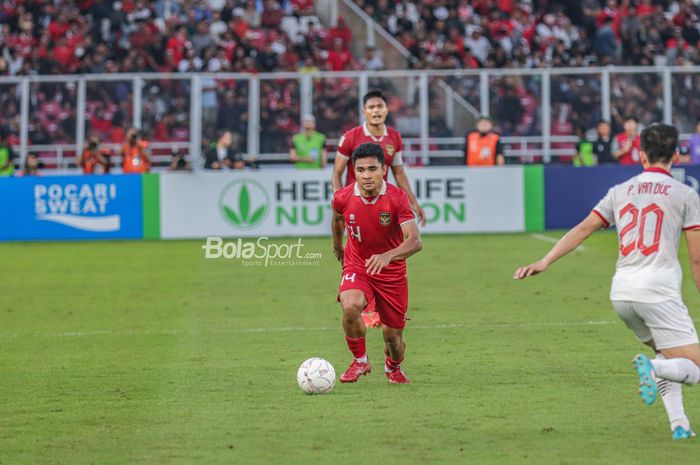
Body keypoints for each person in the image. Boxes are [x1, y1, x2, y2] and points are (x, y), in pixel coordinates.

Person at [514, 124, 700, 440]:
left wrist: (545, 260)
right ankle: (654, 371)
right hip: (658, 292)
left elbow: (584, 228)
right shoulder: (685, 194)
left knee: (666, 352)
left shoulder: (620, 190)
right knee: (693, 369)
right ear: (677, 155)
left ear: (641, 154)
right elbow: (696, 259)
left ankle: (679, 424)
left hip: (622, 293)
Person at [332, 89, 426, 328]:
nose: (375, 111)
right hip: (355, 203)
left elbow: (399, 173)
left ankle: (383, 308)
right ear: (364, 111)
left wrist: (413, 201)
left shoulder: (394, 137)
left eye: (379, 106)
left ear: (387, 109)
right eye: (371, 107)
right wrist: (339, 196)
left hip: (383, 203)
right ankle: (365, 307)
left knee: (387, 251)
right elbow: (337, 172)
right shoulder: (351, 137)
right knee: (358, 254)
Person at [331, 142, 422, 384]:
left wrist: (387, 256)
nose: (366, 175)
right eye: (360, 170)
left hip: (391, 272)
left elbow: (415, 241)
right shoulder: (343, 197)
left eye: (372, 169)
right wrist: (338, 245)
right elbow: (338, 218)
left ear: (384, 170)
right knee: (350, 306)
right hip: (357, 264)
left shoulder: (397, 198)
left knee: (393, 339)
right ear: (354, 172)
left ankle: (393, 367)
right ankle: (360, 361)